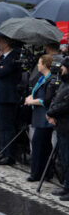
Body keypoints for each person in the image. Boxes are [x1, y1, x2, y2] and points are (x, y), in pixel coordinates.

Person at [0, 35, 20, 165]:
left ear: (6, 43)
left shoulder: (12, 58)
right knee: (0, 126)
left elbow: (0, 73)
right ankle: (2, 152)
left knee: (7, 127)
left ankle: (9, 155)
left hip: (7, 97)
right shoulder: (3, 58)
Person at [25, 54, 57, 182]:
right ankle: (45, 172)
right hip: (39, 116)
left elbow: (46, 100)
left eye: (39, 63)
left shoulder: (51, 80)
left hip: (44, 118)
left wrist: (32, 101)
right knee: (43, 145)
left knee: (38, 144)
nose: (37, 65)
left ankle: (37, 173)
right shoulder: (42, 78)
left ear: (45, 64)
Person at [45, 58, 69, 200]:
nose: (62, 69)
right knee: (64, 158)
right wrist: (51, 112)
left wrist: (51, 112)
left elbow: (65, 105)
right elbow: (55, 99)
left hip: (66, 127)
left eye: (64, 67)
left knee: (67, 158)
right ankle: (66, 186)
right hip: (61, 126)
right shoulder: (63, 83)